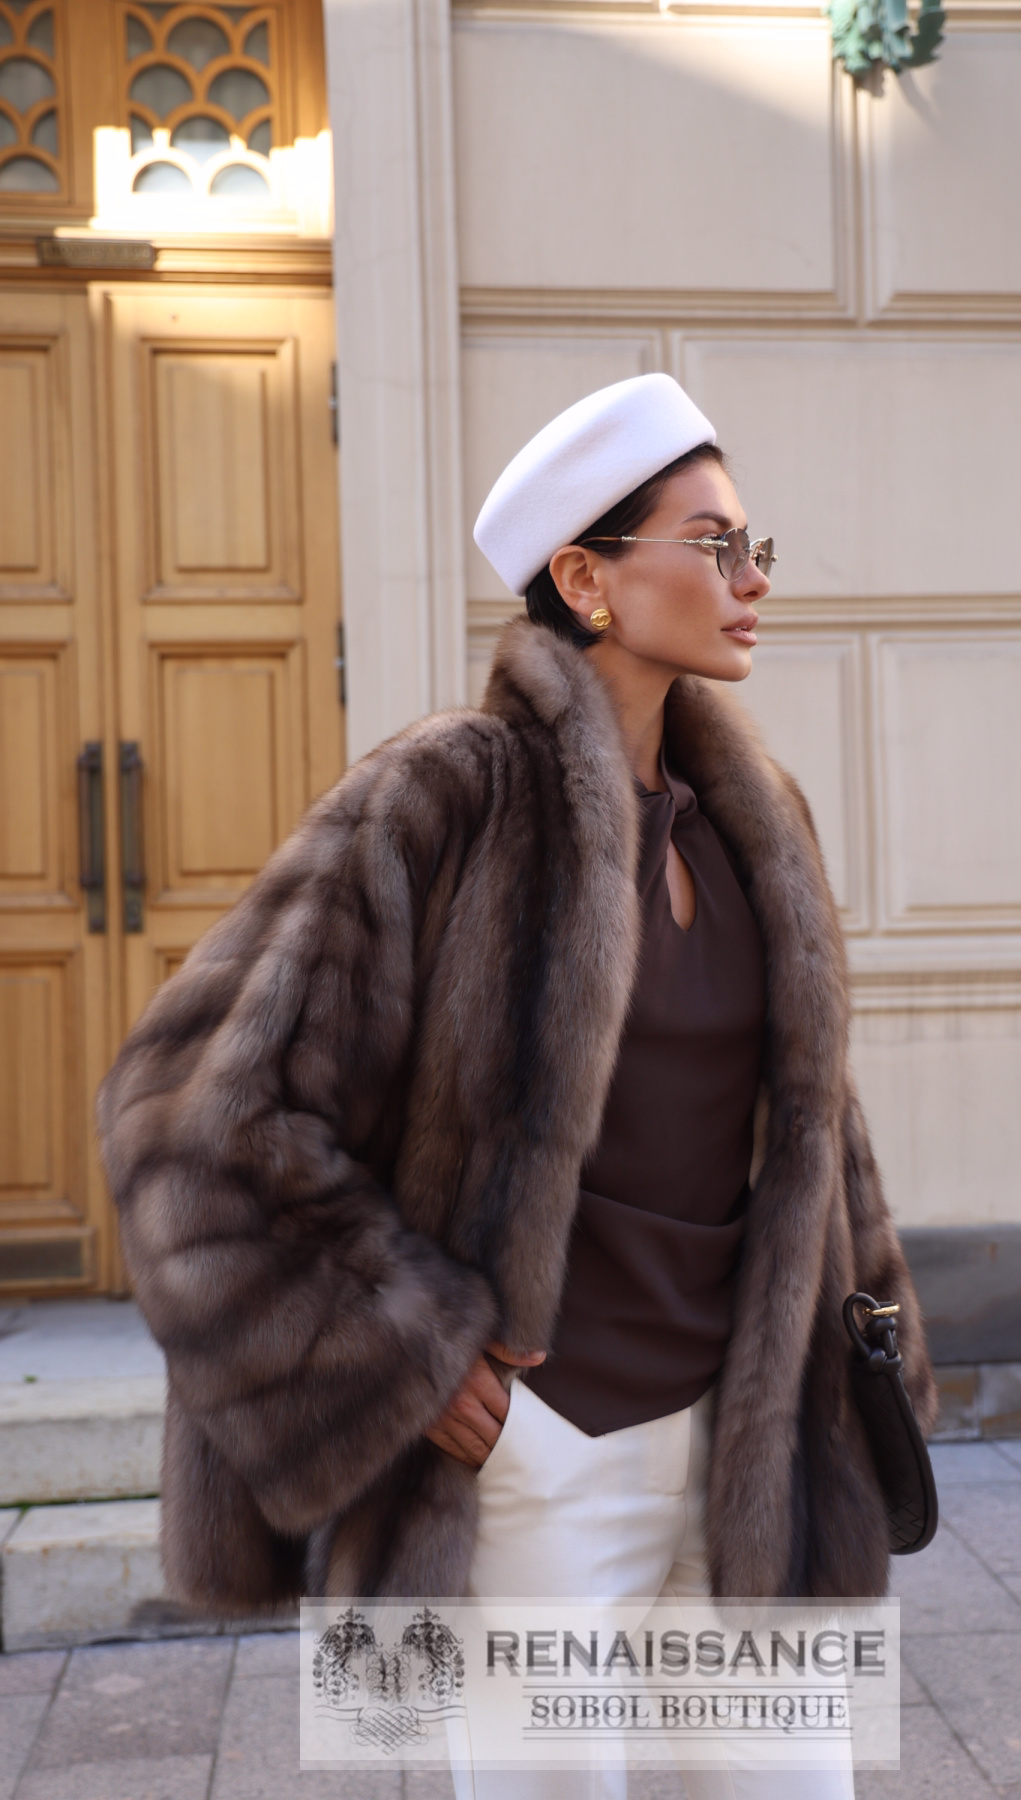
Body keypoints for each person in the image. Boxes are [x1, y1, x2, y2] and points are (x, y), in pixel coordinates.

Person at [97, 374, 935, 1798]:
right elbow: (189, 1120)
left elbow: (818, 1137)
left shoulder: (762, 822)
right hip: (533, 1470)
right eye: (713, 544)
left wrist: (872, 1375)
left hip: (748, 1455)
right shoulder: (446, 796)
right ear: (585, 579)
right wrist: (405, 1349)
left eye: (755, 546)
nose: (753, 579)